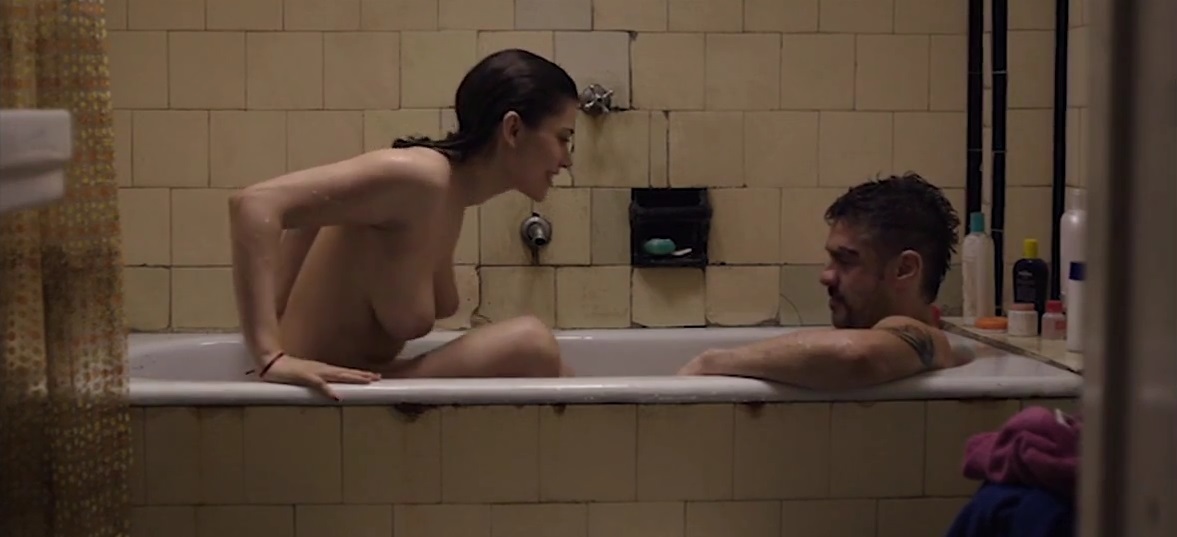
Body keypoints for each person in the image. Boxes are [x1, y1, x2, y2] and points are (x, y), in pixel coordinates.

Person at [228, 49, 577, 400]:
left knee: (551, 363)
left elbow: (310, 221)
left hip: (356, 389)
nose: (567, 160)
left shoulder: (451, 195)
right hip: (318, 400)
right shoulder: (422, 177)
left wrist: (279, 315)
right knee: (533, 344)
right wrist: (270, 356)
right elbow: (254, 204)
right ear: (513, 129)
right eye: (562, 138)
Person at [678, 173, 977, 388]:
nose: (826, 276)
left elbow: (853, 355)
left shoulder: (922, 336)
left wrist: (711, 362)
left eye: (846, 260)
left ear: (904, 269)